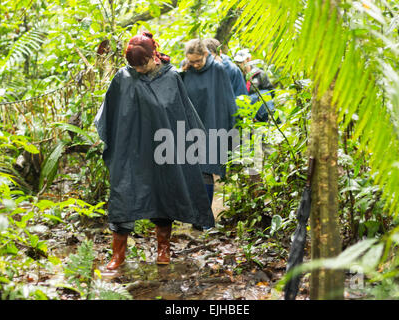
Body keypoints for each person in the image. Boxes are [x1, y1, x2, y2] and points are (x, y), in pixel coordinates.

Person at [95, 32, 214, 269]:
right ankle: (117, 255)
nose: (139, 70)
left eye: (143, 64)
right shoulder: (123, 78)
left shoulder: (170, 77)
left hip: (163, 148)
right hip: (130, 151)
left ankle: (163, 250)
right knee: (123, 196)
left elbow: (183, 113)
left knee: (164, 193)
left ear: (153, 57)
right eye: (134, 66)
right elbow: (109, 112)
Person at [181, 39, 238, 211]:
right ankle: (194, 215)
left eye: (198, 60)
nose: (196, 64)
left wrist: (232, 130)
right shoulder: (186, 70)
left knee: (205, 170)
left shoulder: (218, 69)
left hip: (212, 125)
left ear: (206, 54)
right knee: (190, 170)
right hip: (189, 127)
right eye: (192, 61)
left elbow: (228, 101)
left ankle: (204, 215)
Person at [234, 49, 275, 122]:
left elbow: (270, 91)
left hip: (260, 108)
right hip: (245, 110)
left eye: (241, 62)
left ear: (249, 59)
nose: (239, 64)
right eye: (237, 62)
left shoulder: (259, 74)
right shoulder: (236, 75)